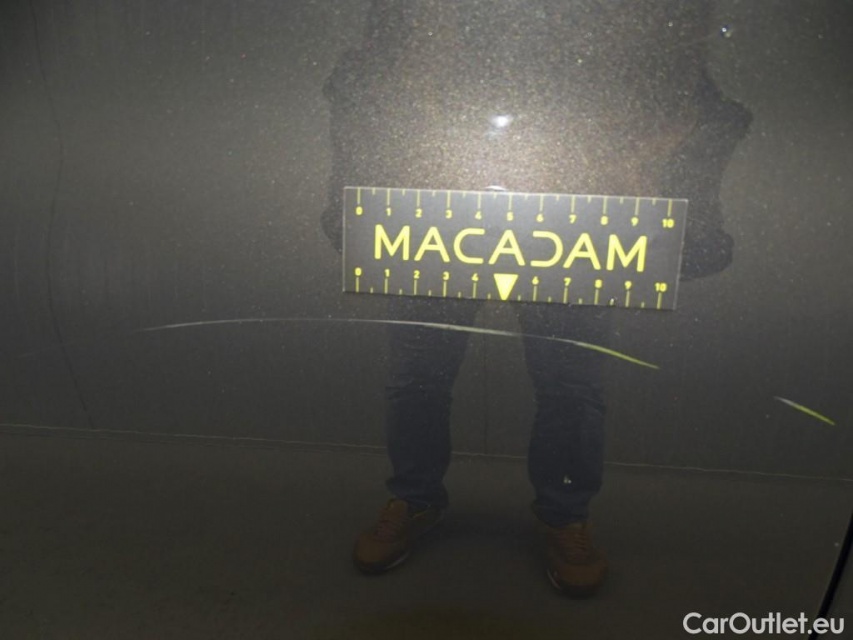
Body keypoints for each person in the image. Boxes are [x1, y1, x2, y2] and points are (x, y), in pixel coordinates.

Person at [322, 0, 751, 597]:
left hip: (568, 229)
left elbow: (700, 220)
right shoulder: (395, 54)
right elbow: (357, 139)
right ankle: (421, 498)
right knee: (419, 378)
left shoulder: (615, 51)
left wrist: (646, 186)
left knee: (569, 387)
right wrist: (355, 216)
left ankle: (561, 514)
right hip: (435, 226)